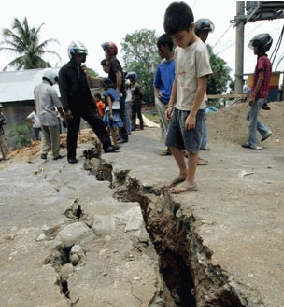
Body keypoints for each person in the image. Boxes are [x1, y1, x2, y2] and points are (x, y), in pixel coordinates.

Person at [163, 1, 212, 193]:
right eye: (173, 38)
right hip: (179, 107)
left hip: (194, 109)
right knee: (172, 143)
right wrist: (170, 104)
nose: (177, 41)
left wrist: (192, 114)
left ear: (191, 27)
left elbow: (202, 85)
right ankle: (183, 173)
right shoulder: (179, 50)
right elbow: (177, 79)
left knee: (192, 148)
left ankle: (191, 181)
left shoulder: (199, 50)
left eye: (180, 37)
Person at [59, 40, 119, 164]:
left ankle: (107, 145)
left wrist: (93, 104)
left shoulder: (81, 71)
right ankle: (71, 156)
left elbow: (86, 89)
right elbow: (63, 91)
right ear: (72, 54)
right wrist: (66, 109)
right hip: (72, 106)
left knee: (98, 122)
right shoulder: (64, 71)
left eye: (82, 55)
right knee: (72, 131)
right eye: (78, 55)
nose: (80, 57)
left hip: (85, 105)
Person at [242, 34, 273, 150]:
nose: (254, 49)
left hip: (258, 94)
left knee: (251, 120)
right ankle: (264, 132)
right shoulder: (266, 60)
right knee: (250, 117)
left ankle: (253, 143)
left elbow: (260, 78)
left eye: (256, 47)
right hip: (262, 94)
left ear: (261, 48)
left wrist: (253, 95)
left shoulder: (261, 60)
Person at [101, 42, 129, 143]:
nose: (105, 55)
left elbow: (119, 75)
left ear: (109, 52)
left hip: (118, 92)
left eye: (105, 53)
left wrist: (117, 90)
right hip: (117, 92)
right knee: (119, 114)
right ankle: (121, 135)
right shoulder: (113, 62)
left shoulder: (114, 62)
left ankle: (124, 136)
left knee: (120, 114)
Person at [34, 70, 65, 160]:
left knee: (45, 135)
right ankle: (55, 154)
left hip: (40, 116)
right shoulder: (50, 89)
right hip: (50, 116)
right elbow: (58, 105)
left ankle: (44, 152)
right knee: (55, 136)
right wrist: (63, 116)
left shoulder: (37, 87)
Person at [194, 18, 215, 152]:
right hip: (195, 87)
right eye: (203, 32)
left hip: (200, 86)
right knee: (198, 117)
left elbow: (204, 74)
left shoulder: (202, 48)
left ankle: (202, 143)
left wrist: (204, 91)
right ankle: (200, 143)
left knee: (200, 117)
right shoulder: (198, 48)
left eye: (207, 32)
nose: (205, 35)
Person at [154, 34, 176, 156]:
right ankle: (169, 148)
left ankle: (178, 149)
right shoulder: (161, 66)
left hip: (176, 100)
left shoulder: (177, 63)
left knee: (175, 125)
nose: (159, 52)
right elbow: (156, 84)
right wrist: (157, 94)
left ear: (165, 47)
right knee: (165, 125)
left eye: (159, 49)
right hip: (163, 100)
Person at [102, 78, 123, 150]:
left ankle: (115, 143)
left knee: (111, 128)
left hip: (110, 110)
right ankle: (113, 140)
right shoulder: (116, 92)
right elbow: (121, 95)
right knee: (116, 126)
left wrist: (110, 113)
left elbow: (109, 103)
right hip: (117, 109)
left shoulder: (107, 93)